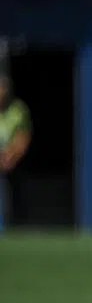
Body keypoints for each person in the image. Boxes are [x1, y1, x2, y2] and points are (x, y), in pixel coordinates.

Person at [0, 75, 31, 233]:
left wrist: (11, 156)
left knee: (15, 193)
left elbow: (23, 136)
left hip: (13, 160)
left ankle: (16, 225)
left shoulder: (18, 109)